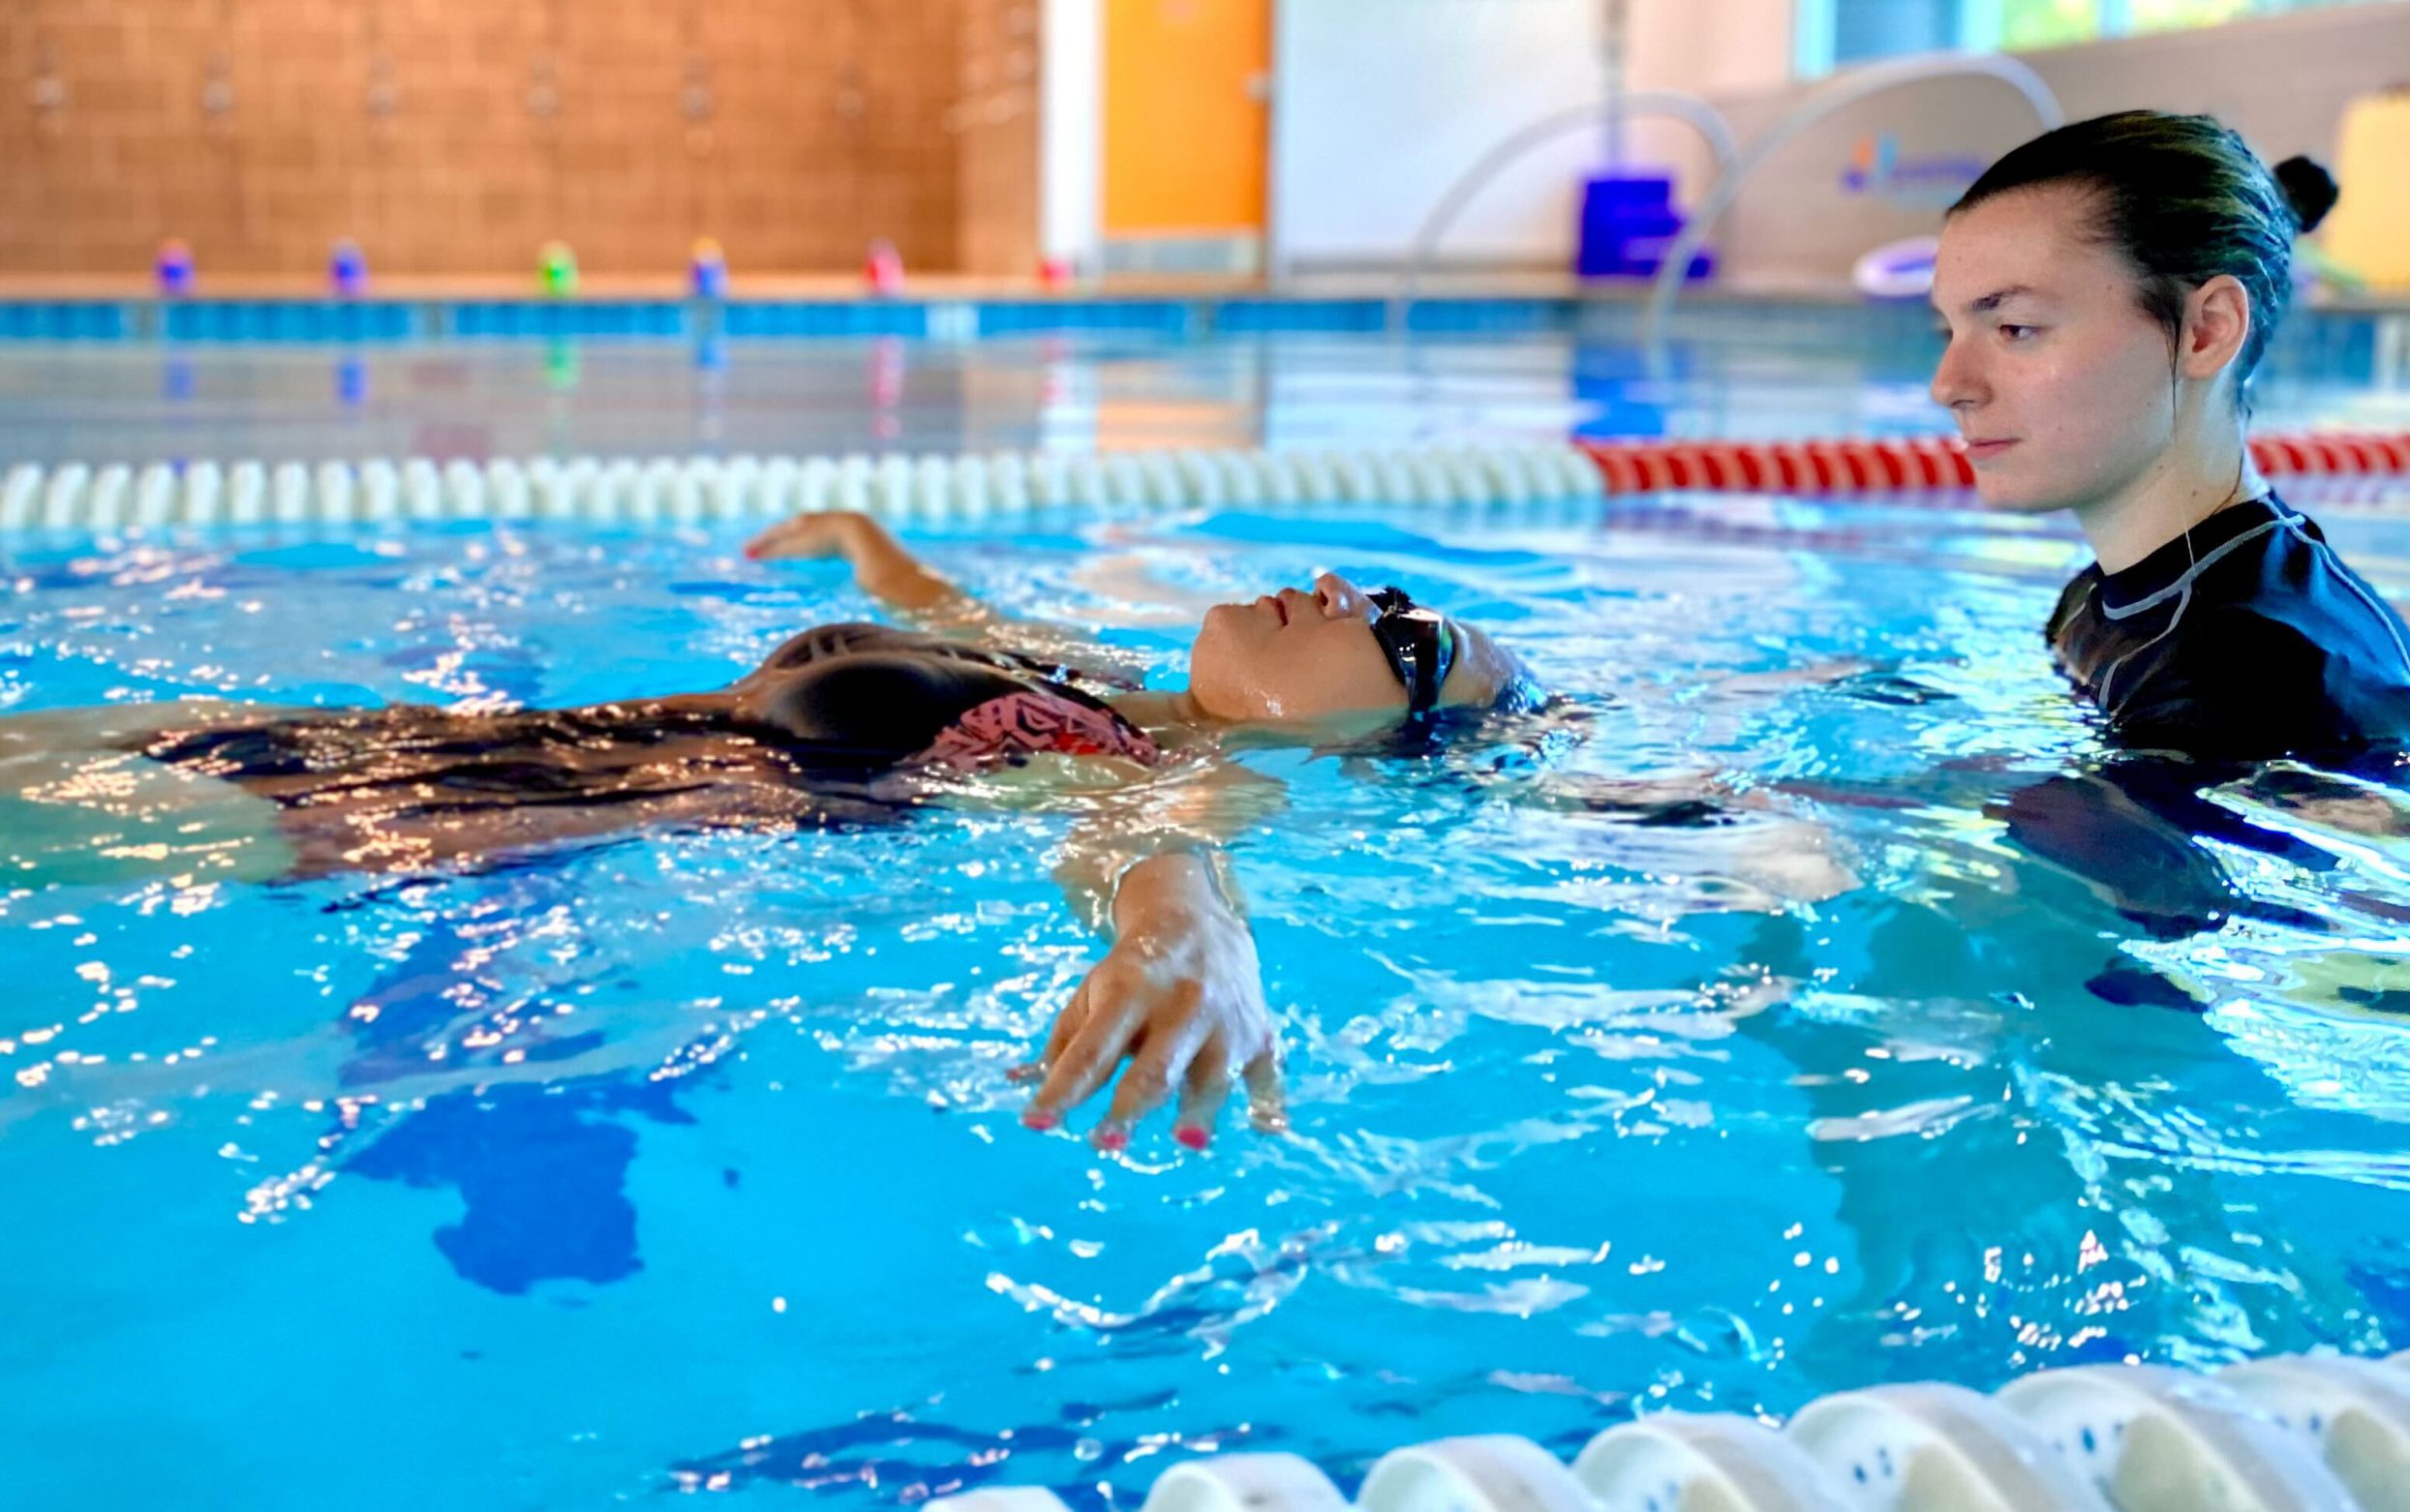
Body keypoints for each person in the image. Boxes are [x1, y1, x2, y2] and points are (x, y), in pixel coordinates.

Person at [0, 508, 1535, 1148]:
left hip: (387, 813)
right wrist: (867, 537)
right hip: (379, 751)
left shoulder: (1135, 756)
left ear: (1387, 745)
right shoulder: (1093, 676)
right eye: (1380, 588)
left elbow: (1161, 841)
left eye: (1405, 642)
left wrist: (1189, 933)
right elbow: (950, 616)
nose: (1354, 596)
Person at [1929, 109, 2410, 766]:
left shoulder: (2250, 672)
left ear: (2207, 331)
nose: (1948, 385)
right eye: (1948, 333)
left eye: (2016, 329)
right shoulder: (2098, 601)